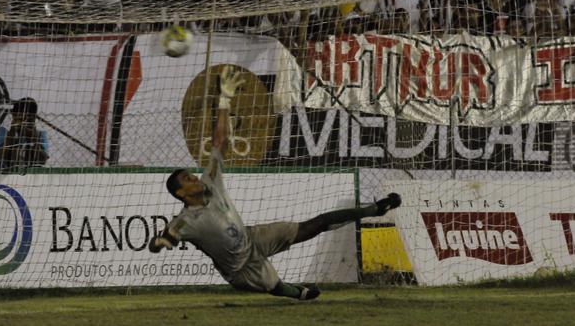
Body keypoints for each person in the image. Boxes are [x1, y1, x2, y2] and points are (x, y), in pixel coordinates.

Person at [148, 66, 402, 301]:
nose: (194, 177)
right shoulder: (185, 221)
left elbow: (220, 141)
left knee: (315, 225)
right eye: (187, 180)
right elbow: (166, 238)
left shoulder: (210, 182)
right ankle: (297, 293)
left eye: (191, 175)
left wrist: (225, 99)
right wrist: (160, 243)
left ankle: (375, 209)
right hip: (239, 269)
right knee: (274, 286)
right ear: (181, 193)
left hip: (254, 238)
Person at [0, 97, 49, 170]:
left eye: (28, 120)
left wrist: (33, 140)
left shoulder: (40, 135)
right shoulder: (4, 132)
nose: (23, 123)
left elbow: (42, 161)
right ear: (14, 117)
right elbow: (1, 157)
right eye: (20, 119)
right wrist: (12, 133)